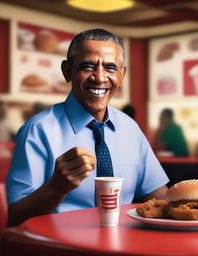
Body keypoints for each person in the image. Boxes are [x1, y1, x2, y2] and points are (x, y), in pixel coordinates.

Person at [7, 29, 169, 226]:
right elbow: (16, 218)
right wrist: (57, 187)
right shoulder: (37, 130)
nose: (100, 78)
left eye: (110, 68)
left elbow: (159, 199)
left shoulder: (130, 128)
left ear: (122, 75)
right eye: (88, 66)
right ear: (67, 71)